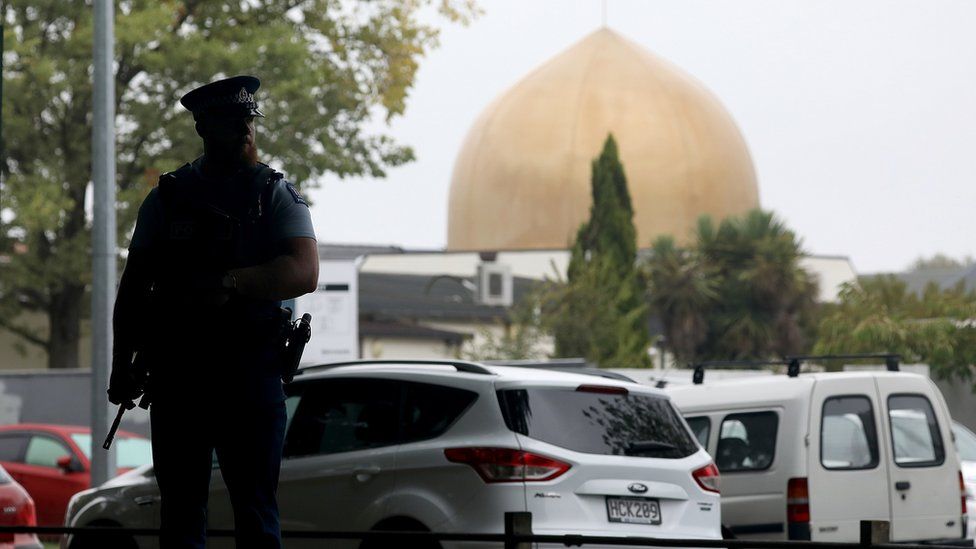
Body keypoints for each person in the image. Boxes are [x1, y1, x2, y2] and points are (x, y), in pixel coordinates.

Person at [108, 75, 319, 549]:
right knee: (182, 512)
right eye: (232, 123)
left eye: (248, 121)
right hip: (181, 374)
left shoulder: (274, 194)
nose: (247, 132)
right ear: (204, 129)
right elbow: (134, 289)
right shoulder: (167, 199)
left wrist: (229, 281)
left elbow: (305, 272)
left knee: (256, 511)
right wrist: (123, 366)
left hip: (249, 370)